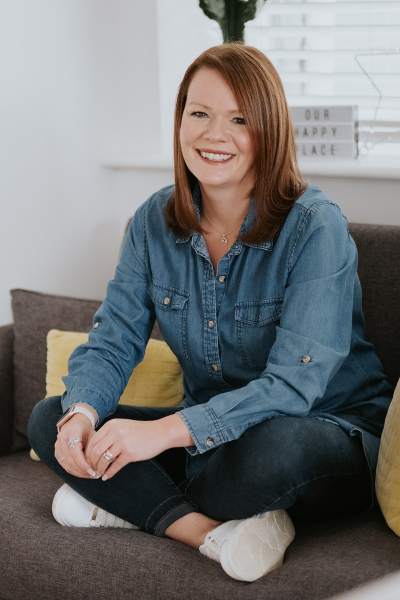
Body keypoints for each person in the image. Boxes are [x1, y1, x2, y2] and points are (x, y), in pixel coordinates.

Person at [28, 43, 394, 583]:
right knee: (52, 418)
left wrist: (161, 435)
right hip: (206, 442)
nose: (213, 134)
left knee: (268, 452)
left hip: (324, 433)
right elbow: (113, 341)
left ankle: (125, 506)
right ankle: (204, 531)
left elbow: (295, 387)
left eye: (239, 119)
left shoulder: (316, 227)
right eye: (199, 113)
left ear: (268, 131)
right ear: (180, 122)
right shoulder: (153, 222)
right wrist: (83, 415)